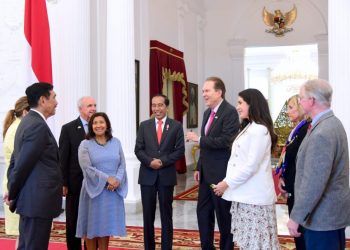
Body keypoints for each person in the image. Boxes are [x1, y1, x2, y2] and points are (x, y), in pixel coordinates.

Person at [213, 88, 280, 249]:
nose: (237, 107)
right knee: (248, 242)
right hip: (246, 196)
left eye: (240, 103)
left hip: (255, 198)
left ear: (252, 104)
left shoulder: (259, 130)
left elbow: (251, 166)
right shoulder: (250, 127)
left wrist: (226, 183)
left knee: (257, 243)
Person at [288, 79, 350, 249]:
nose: (299, 102)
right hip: (329, 216)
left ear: (312, 101)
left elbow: (313, 182)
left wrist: (296, 217)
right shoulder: (332, 123)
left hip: (322, 219)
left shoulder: (322, 132)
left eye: (301, 98)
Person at [186, 76, 239, 250]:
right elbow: (206, 145)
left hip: (221, 174)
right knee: (203, 213)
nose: (203, 94)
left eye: (207, 91)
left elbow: (225, 141)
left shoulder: (230, 112)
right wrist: (198, 166)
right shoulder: (207, 113)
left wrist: (199, 139)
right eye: (202, 91)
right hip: (205, 174)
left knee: (224, 217)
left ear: (219, 92)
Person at [6, 82, 62, 250]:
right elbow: (21, 165)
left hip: (33, 201)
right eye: (54, 97)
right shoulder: (36, 125)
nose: (56, 102)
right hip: (36, 202)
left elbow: (15, 162)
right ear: (43, 100)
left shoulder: (28, 121)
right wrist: (12, 193)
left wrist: (12, 190)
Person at [134, 94, 185, 250]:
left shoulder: (176, 126)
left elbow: (180, 150)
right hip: (147, 177)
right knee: (148, 216)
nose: (156, 108)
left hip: (166, 176)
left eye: (160, 105)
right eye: (154, 105)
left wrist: (162, 162)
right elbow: (138, 149)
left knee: (166, 216)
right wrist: (150, 162)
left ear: (166, 106)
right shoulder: (144, 126)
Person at [76, 112, 128, 250]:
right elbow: (87, 168)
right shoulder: (85, 144)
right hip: (93, 191)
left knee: (106, 227)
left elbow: (122, 164)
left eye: (101, 122)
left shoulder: (116, 142)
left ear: (107, 125)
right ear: (91, 126)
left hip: (112, 192)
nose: (98, 125)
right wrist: (108, 179)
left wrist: (116, 180)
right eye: (95, 123)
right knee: (91, 228)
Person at [59, 96, 96, 250]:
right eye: (89, 106)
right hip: (75, 184)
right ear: (80, 109)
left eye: (94, 105)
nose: (93, 108)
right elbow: (63, 158)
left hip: (95, 185)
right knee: (73, 221)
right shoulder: (68, 128)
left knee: (92, 221)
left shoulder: (100, 126)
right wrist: (63, 183)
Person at [276, 94, 309, 250]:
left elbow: (300, 161)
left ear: (301, 107)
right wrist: (282, 176)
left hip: (299, 187)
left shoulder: (305, 129)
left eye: (291, 107)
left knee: (300, 229)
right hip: (291, 184)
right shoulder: (296, 129)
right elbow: (288, 157)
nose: (287, 112)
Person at [2, 96, 30, 241]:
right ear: (26, 112)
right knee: (23, 234)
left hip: (18, 183)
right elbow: (21, 161)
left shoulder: (19, 126)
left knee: (24, 235)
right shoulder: (17, 130)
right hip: (17, 184)